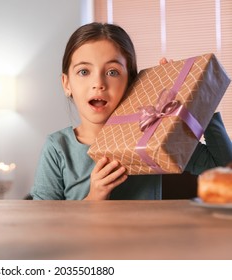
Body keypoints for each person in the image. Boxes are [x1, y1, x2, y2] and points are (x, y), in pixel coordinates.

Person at [30, 22, 232, 200]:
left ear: (131, 83)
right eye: (84, 71)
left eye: (112, 72)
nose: (98, 83)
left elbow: (224, 171)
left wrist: (195, 97)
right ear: (66, 84)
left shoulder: (155, 136)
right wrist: (94, 198)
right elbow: (44, 221)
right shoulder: (57, 148)